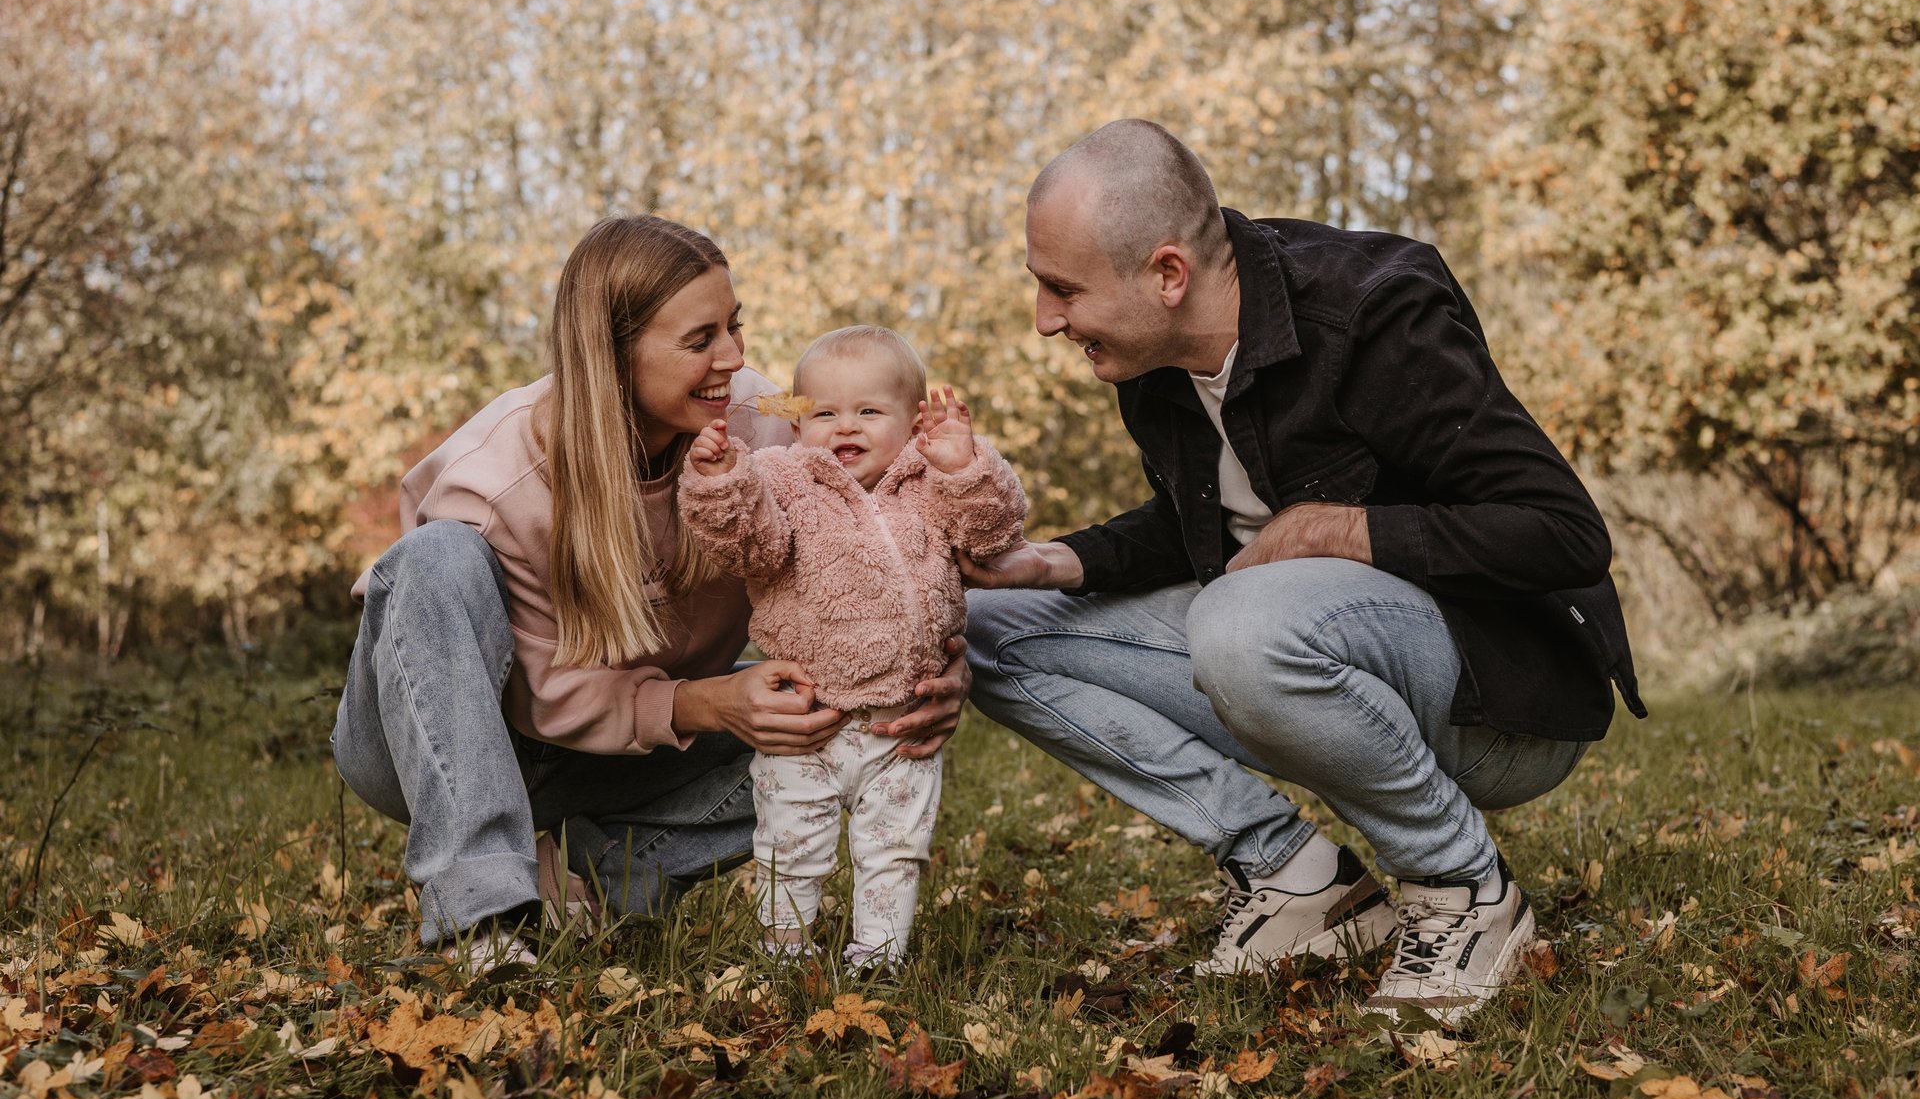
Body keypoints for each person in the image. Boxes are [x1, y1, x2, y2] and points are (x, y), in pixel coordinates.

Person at [963, 120, 1642, 1025]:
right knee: (978, 625)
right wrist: (1055, 560)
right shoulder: (1147, 358)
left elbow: (1560, 533)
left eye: (1062, 290)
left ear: (1169, 275)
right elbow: (1207, 522)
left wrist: (1346, 529)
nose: (1046, 318)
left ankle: (1463, 887)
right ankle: (1300, 881)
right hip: (1309, 665)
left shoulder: (1370, 312)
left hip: (1498, 703)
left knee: (1242, 620)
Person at [331, 216, 972, 969]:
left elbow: (899, 528)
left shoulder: (767, 431)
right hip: (450, 747)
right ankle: (484, 918)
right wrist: (703, 704)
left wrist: (935, 663)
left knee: (832, 711)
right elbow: (433, 641)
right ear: (614, 354)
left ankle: (588, 883)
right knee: (436, 555)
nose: (733, 358)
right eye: (701, 340)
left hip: (624, 750)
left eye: (735, 327)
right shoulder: (503, 468)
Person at [678, 327, 1027, 968]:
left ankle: (878, 953)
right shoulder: (781, 480)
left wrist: (965, 467)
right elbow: (746, 546)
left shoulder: (930, 481)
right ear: (796, 420)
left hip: (903, 717)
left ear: (914, 421)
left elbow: (995, 532)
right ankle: (783, 950)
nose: (847, 427)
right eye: (825, 413)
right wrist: (721, 482)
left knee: (894, 845)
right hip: (809, 710)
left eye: (869, 411)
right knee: (790, 840)